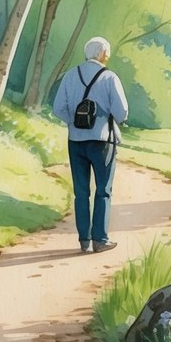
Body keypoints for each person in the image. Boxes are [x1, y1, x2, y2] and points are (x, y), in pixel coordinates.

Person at [52, 36, 128, 253]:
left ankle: (84, 240)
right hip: (103, 141)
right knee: (103, 191)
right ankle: (100, 240)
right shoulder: (110, 77)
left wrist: (75, 121)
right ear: (102, 53)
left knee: (81, 192)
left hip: (76, 140)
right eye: (107, 52)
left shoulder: (70, 75)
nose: (108, 56)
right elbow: (122, 113)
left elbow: (58, 108)